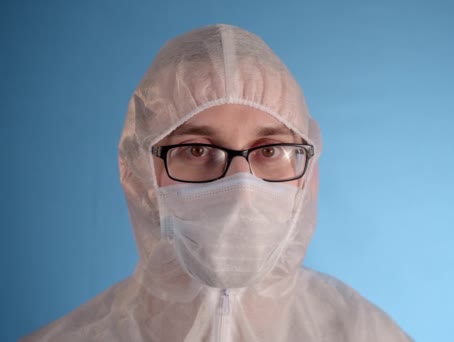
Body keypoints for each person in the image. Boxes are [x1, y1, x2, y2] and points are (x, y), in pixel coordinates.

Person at [22, 24, 413, 342]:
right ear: (139, 172)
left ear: (307, 172)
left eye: (271, 150)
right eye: (195, 150)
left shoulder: (363, 333)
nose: (242, 186)